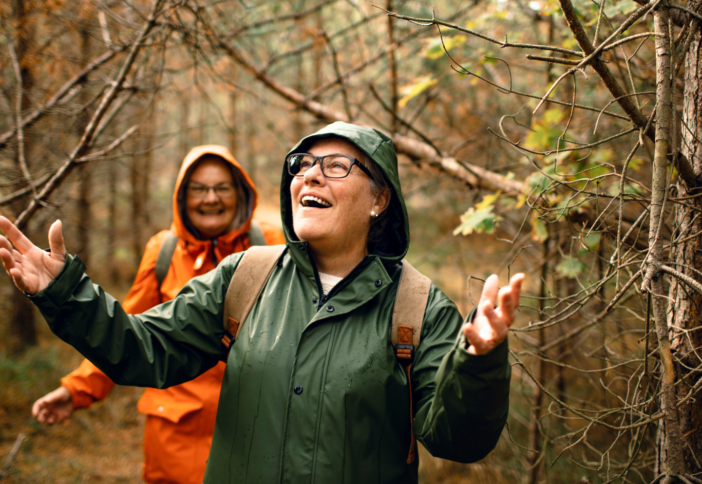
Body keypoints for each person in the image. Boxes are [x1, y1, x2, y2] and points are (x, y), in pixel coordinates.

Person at [0, 122, 524, 484]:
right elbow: (143, 349)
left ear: (380, 199)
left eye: (337, 166)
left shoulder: (418, 307)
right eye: (303, 164)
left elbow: (458, 440)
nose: (310, 175)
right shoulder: (246, 276)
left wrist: (478, 364)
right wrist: (65, 291)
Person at [29, 145, 284, 484]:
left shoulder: (269, 243)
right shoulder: (162, 251)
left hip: (253, 430)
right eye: (199, 189)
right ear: (181, 197)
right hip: (176, 434)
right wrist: (76, 390)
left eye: (223, 188)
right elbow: (129, 332)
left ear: (240, 194)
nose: (211, 198)